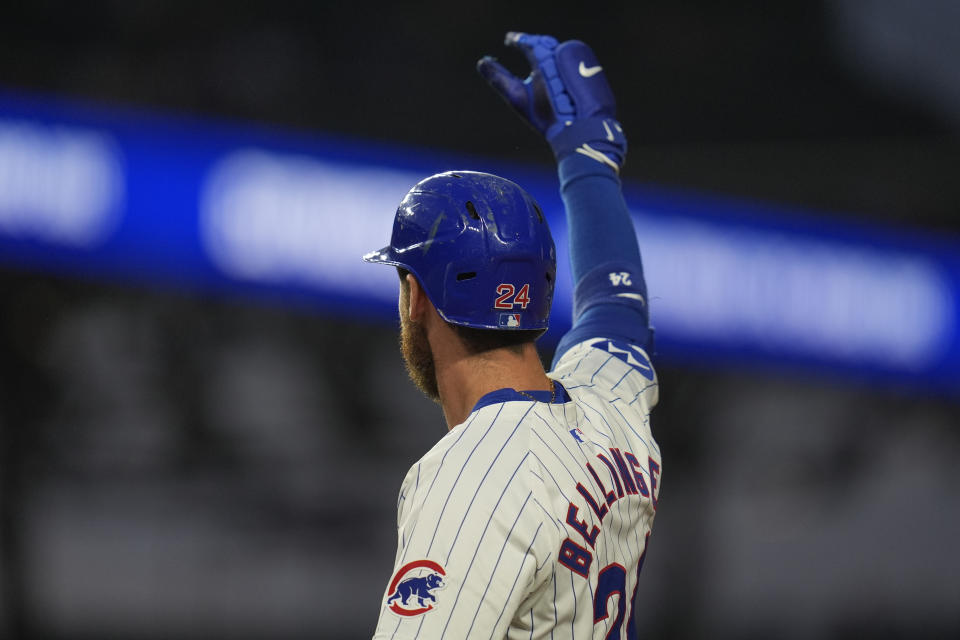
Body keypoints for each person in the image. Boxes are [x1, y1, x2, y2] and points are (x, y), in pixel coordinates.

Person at [366, 32, 661, 639]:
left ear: (416, 297)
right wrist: (588, 160)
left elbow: (616, 305)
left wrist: (586, 161)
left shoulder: (473, 478)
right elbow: (616, 305)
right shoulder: (612, 408)